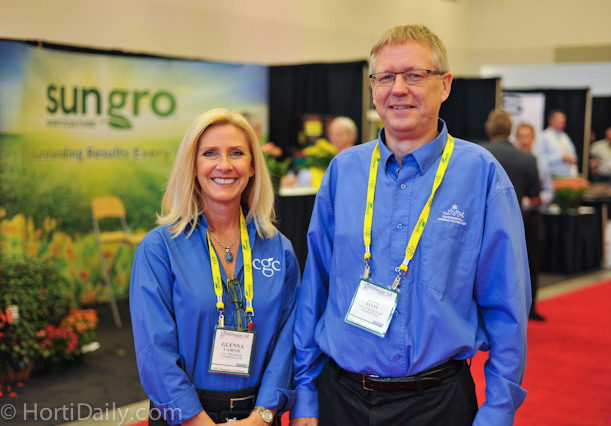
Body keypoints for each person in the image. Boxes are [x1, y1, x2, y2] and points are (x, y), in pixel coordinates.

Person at [292, 24, 531, 426]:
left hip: (437, 404)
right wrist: (305, 395)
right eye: (385, 77)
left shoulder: (480, 175)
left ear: (445, 85)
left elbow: (507, 305)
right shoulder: (343, 172)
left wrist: (497, 410)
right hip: (340, 399)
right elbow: (315, 289)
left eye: (414, 75)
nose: (398, 89)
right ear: (373, 88)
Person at [130, 108, 300, 425]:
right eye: (210, 153)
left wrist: (263, 415)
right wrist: (196, 420)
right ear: (193, 166)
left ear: (252, 166)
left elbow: (287, 337)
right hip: (184, 416)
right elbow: (154, 351)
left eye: (236, 153)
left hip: (259, 415)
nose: (224, 165)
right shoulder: (159, 249)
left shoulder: (279, 248)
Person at [482, 113, 545, 322]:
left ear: (489, 128)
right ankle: (529, 309)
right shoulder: (527, 158)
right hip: (519, 221)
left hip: (485, 222)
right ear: (511, 130)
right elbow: (534, 194)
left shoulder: (479, 154)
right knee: (527, 265)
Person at [516, 123, 554, 207]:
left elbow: (549, 191)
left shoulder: (541, 163)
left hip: (534, 211)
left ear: (534, 138)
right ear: (516, 139)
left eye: (528, 136)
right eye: (521, 137)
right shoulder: (512, 163)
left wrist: (537, 200)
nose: (525, 141)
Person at [533, 110, 578, 178]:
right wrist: (559, 157)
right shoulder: (543, 136)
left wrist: (571, 159)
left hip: (568, 176)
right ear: (551, 120)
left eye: (563, 121)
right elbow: (538, 159)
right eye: (559, 121)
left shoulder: (565, 137)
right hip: (550, 176)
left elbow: (574, 157)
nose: (561, 123)